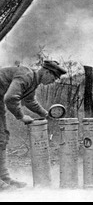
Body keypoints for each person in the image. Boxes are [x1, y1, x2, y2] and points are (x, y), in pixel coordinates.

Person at [0, 60, 66, 191]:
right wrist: (21, 116)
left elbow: (30, 101)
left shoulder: (32, 82)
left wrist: (46, 114)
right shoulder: (26, 76)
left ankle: (4, 177)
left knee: (2, 138)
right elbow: (11, 97)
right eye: (53, 78)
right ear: (46, 72)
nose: (52, 82)